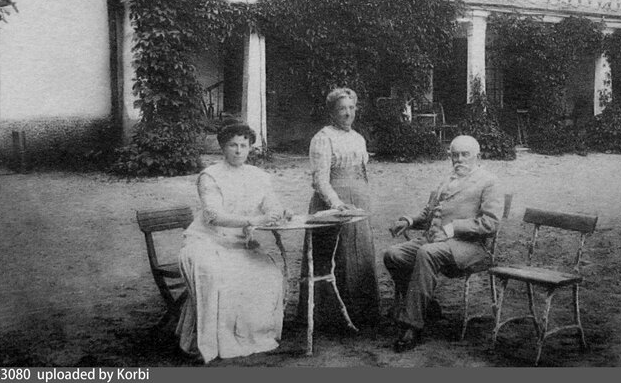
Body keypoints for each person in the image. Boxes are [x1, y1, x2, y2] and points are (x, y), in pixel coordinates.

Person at [176, 123, 289, 363]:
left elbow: (271, 204)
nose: (239, 151)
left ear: (250, 148)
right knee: (215, 273)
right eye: (233, 145)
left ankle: (252, 335)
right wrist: (254, 219)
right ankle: (215, 339)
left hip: (239, 243)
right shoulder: (210, 176)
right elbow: (213, 216)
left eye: (244, 145)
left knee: (268, 272)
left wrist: (277, 212)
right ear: (222, 147)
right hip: (206, 241)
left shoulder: (258, 176)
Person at [383, 134, 503, 352]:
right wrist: (409, 220)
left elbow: (490, 223)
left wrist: (451, 229)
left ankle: (412, 325)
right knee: (393, 254)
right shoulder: (447, 180)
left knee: (427, 253)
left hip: (469, 247)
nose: (459, 160)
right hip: (434, 241)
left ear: (477, 156)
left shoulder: (488, 181)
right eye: (454, 155)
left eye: (465, 155)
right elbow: (429, 212)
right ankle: (424, 305)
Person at [298, 87, 381, 329]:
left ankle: (363, 315)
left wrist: (365, 200)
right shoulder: (323, 138)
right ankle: (331, 317)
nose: (347, 113)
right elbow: (320, 180)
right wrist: (337, 204)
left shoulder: (357, 137)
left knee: (361, 254)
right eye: (341, 109)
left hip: (359, 202)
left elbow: (363, 174)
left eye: (351, 108)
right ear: (332, 112)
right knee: (338, 255)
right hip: (333, 202)